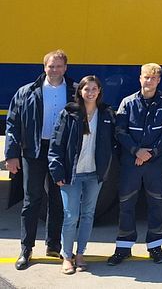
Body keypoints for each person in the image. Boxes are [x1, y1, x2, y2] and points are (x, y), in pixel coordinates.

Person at [5, 50, 74, 270]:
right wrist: (11, 154)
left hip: (61, 152)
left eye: (59, 66)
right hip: (34, 150)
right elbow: (13, 124)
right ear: (44, 67)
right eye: (51, 66)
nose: (55, 70)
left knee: (57, 199)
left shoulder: (73, 91)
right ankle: (26, 249)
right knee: (32, 199)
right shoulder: (27, 92)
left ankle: (53, 244)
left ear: (65, 68)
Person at [107, 63, 162, 265]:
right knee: (126, 203)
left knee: (156, 204)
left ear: (159, 80)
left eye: (153, 78)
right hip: (131, 161)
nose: (149, 81)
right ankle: (123, 248)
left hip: (155, 162)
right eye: (146, 77)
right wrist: (136, 151)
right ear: (140, 78)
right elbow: (120, 132)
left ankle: (155, 247)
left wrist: (151, 153)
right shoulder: (127, 102)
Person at [48, 75, 115, 274]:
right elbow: (56, 144)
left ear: (99, 91)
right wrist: (57, 170)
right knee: (70, 215)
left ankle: (80, 254)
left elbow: (113, 142)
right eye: (87, 89)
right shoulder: (69, 114)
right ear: (80, 92)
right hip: (72, 173)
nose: (91, 92)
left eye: (94, 89)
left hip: (94, 173)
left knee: (88, 215)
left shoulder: (106, 114)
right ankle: (67, 256)